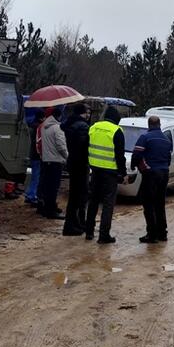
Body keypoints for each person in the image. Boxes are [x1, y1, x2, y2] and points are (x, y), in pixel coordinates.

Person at [86, 105, 126, 244]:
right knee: (108, 204)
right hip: (110, 172)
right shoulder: (117, 131)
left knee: (93, 201)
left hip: (95, 170)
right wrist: (123, 173)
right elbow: (120, 155)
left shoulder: (94, 127)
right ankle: (103, 235)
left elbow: (87, 146)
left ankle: (89, 231)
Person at [131, 116, 172, 243]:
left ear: (149, 125)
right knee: (160, 204)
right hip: (164, 173)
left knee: (148, 204)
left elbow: (137, 154)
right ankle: (162, 233)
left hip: (151, 174)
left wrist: (133, 166)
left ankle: (152, 234)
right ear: (159, 125)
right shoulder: (166, 140)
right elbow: (168, 159)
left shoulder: (145, 137)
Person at [62, 103, 91, 235]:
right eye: (87, 112)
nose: (88, 115)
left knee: (74, 195)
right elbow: (83, 147)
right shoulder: (83, 127)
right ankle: (72, 225)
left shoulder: (68, 124)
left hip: (72, 162)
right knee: (78, 196)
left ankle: (74, 223)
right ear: (82, 113)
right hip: (80, 164)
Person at [38, 107, 69, 218]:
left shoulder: (44, 127)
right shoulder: (57, 128)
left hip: (46, 160)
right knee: (54, 187)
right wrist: (67, 157)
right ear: (59, 116)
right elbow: (61, 146)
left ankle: (47, 207)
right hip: (56, 161)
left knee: (47, 186)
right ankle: (51, 211)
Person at [23, 113, 42, 206]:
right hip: (36, 156)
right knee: (36, 177)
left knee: (32, 177)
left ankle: (28, 194)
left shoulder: (30, 126)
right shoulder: (38, 128)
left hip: (30, 155)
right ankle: (32, 196)